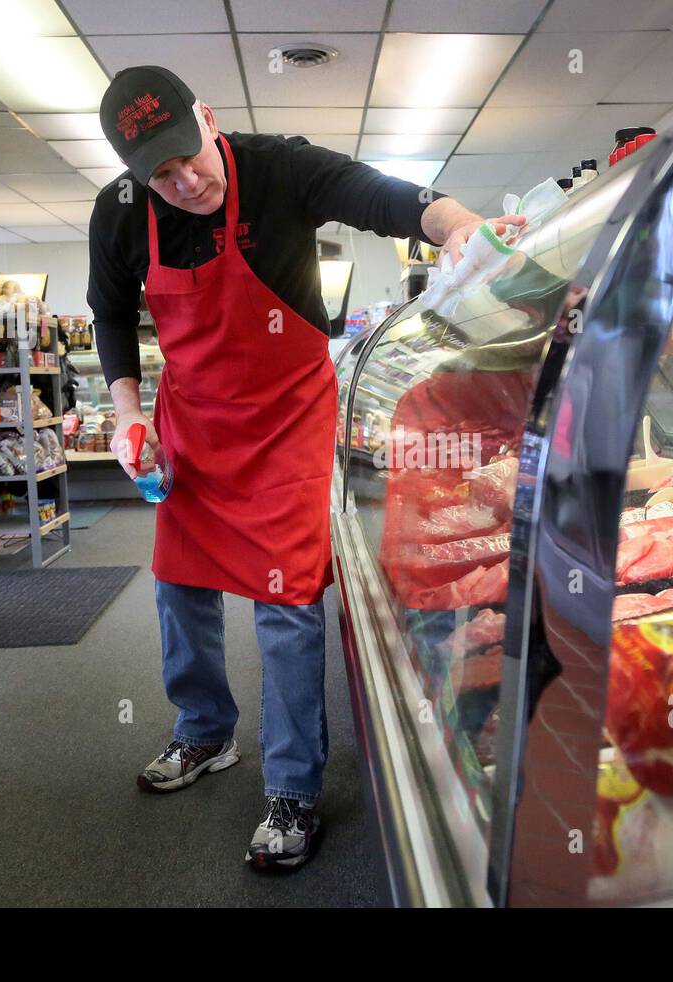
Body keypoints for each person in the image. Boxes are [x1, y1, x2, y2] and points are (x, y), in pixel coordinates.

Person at [88, 66, 523, 870]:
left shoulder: (276, 167)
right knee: (179, 583)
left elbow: (373, 192)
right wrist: (126, 412)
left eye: (191, 156)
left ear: (208, 116)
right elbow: (109, 310)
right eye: (161, 175)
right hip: (194, 422)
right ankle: (204, 732)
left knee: (284, 599)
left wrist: (454, 221)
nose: (186, 182)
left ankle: (292, 787)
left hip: (288, 417)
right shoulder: (119, 215)